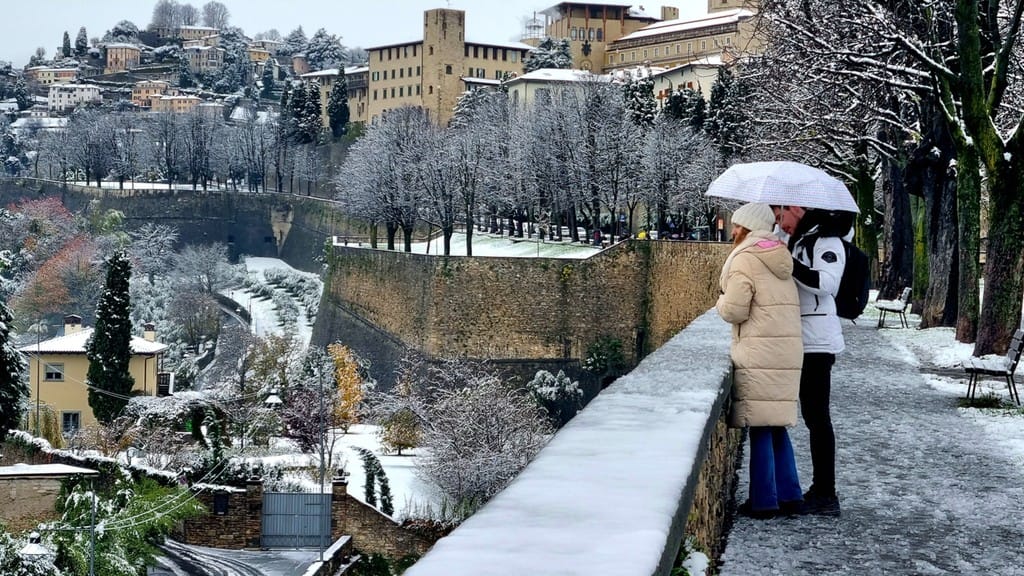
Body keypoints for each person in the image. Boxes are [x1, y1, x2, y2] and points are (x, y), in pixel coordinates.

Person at [716, 203, 804, 519]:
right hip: (784, 352)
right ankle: (791, 495)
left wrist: (720, 300)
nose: (732, 231)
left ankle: (764, 500)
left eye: (736, 225)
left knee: (761, 429)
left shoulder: (745, 260)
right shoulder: (780, 255)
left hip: (759, 353)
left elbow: (736, 310)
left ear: (747, 228)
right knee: (777, 426)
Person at [773, 205, 854, 516]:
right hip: (798, 337)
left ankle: (825, 492)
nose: (780, 223)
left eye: (781, 217)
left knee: (817, 417)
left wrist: (787, 262)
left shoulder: (827, 241)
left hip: (817, 342)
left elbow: (826, 284)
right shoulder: (799, 239)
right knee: (808, 415)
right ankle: (811, 490)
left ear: (795, 209)